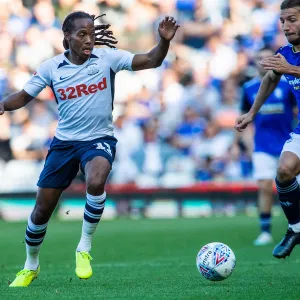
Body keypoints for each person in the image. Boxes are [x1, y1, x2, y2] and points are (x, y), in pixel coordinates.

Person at [0, 11, 179, 287]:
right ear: (67, 37)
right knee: (41, 211)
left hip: (99, 138)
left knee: (96, 180)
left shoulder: (108, 58)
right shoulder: (51, 67)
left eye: (92, 34)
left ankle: (83, 247)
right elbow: (23, 96)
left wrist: (164, 41)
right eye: (82, 34)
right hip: (64, 144)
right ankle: (30, 265)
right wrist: (2, 104)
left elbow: (152, 59)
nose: (89, 39)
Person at [235, 0, 300, 259]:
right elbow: (270, 78)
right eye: (283, 21)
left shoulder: (287, 60)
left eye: (292, 19)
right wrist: (251, 113)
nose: (286, 26)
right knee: (284, 171)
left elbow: (283, 70)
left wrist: (290, 69)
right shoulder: (286, 52)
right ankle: (295, 228)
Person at [237, 46, 296, 246]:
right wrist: (245, 142)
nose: (263, 61)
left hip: (286, 142)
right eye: (259, 58)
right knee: (263, 186)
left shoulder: (287, 85)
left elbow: (296, 111)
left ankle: (294, 225)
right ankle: (265, 230)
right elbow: (245, 115)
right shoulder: (248, 89)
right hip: (262, 144)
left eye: (266, 57)